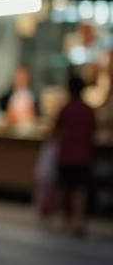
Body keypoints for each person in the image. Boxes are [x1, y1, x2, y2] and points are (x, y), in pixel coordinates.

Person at [52, 75, 96, 238]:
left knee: (65, 188)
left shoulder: (65, 109)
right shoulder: (88, 110)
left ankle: (66, 219)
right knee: (80, 189)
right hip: (83, 155)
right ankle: (79, 220)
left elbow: (55, 131)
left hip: (67, 155)